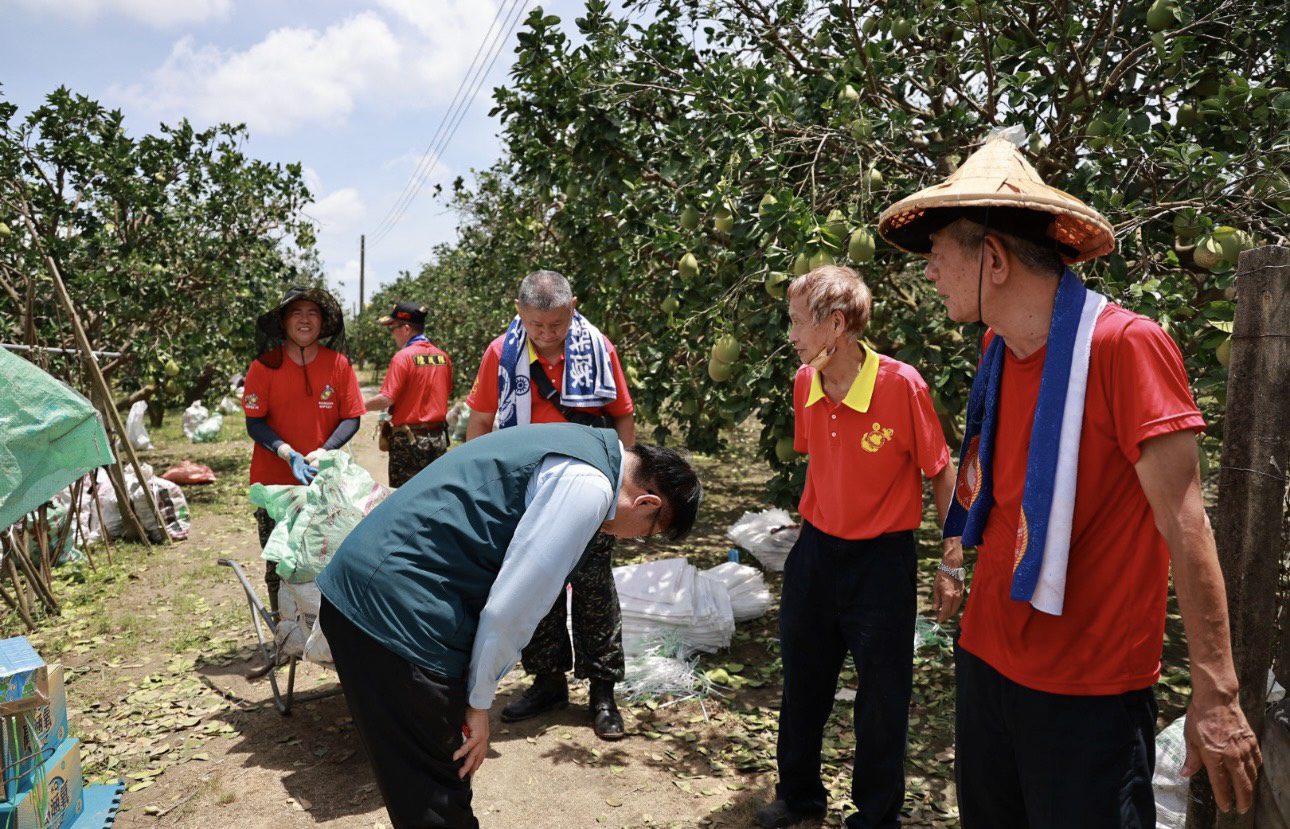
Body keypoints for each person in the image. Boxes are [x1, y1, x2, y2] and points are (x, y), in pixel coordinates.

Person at [876, 132, 1262, 826]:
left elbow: (1185, 521)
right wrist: (956, 559)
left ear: (994, 259)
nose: (928, 272)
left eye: (937, 253)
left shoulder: (1125, 346)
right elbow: (996, 487)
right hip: (989, 658)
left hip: (1088, 688)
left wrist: (1218, 693)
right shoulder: (999, 347)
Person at [315, 424, 702, 829]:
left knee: (417, 778)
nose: (632, 539)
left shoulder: (581, 444)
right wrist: (479, 702)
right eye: (646, 534)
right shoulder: (589, 487)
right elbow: (511, 609)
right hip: (397, 613)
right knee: (436, 794)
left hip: (364, 590)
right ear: (646, 502)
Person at [756, 265, 963, 829]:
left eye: (798, 322)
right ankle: (799, 796)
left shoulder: (902, 385)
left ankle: (876, 817)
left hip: (882, 562)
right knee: (803, 683)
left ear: (836, 324)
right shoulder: (806, 381)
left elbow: (941, 471)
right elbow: (822, 462)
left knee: (883, 696)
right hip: (816, 553)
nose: (791, 335)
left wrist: (952, 559)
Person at [464, 270, 636, 740]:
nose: (546, 334)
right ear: (519, 312)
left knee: (594, 588)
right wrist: (484, 485)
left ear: (573, 308)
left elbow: (622, 416)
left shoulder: (599, 350)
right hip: (529, 489)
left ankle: (603, 692)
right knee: (535, 581)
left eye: (557, 324)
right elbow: (480, 421)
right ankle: (547, 681)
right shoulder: (501, 354)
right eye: (536, 325)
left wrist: (618, 482)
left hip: (591, 488)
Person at [242, 285, 363, 614]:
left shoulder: (338, 365)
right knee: (278, 561)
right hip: (274, 486)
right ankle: (284, 628)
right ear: (283, 322)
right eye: (296, 313)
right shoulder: (263, 367)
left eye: (312, 313)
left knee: (327, 559)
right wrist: (286, 452)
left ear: (323, 322)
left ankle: (325, 629)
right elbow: (255, 422)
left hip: (324, 482)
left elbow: (351, 417)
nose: (305, 320)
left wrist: (325, 450)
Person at [363, 301, 453, 487]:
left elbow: (387, 398)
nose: (392, 334)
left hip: (409, 443)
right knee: (434, 493)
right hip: (438, 440)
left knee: (403, 496)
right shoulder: (443, 357)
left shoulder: (403, 357)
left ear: (405, 329)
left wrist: (357, 406)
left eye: (393, 328)